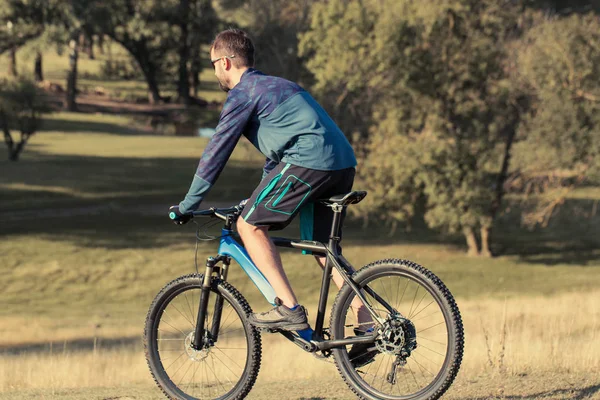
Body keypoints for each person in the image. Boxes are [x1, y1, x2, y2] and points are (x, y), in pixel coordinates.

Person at [170, 28, 371, 334]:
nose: (214, 72)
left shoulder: (242, 94)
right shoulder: (278, 85)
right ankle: (368, 325)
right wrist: (252, 200)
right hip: (342, 163)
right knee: (321, 249)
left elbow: (216, 152)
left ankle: (289, 309)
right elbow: (276, 156)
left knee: (249, 226)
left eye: (213, 64)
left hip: (310, 162)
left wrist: (188, 204)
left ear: (225, 62)